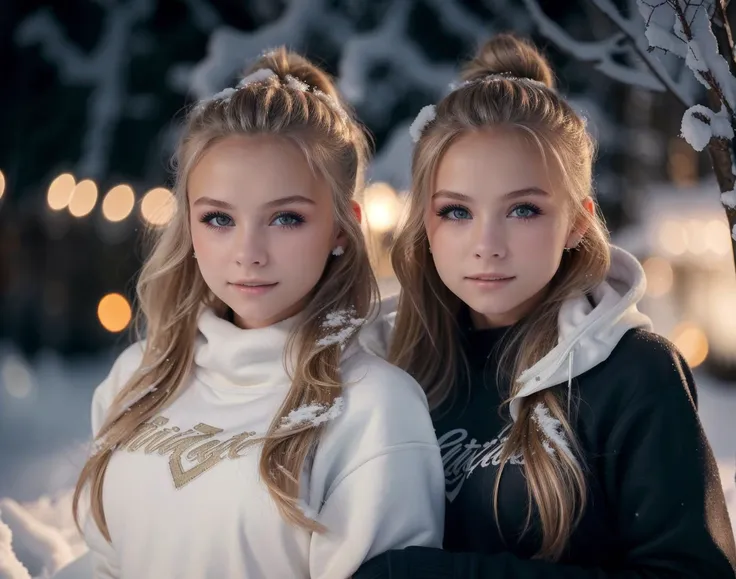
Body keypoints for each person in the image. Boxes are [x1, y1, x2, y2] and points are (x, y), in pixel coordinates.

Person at [355, 34, 736, 578]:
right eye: (457, 212)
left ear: (577, 222)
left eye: (524, 210)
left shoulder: (633, 373)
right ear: (425, 225)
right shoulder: (388, 370)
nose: (487, 243)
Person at [72, 47, 444, 579]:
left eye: (286, 219)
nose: (248, 252)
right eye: (219, 219)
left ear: (343, 227)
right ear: (188, 225)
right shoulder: (139, 376)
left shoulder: (375, 407)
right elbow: (102, 564)